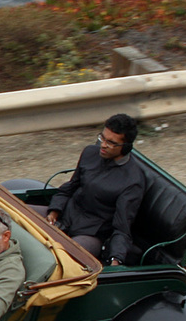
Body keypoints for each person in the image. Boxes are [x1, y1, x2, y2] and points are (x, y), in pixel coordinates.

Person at [46, 113, 145, 265]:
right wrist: (54, 212)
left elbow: (122, 227)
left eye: (111, 143)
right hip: (66, 215)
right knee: (13, 218)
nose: (103, 145)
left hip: (91, 234)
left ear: (125, 147)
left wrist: (116, 260)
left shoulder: (132, 181)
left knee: (61, 258)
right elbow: (69, 188)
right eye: (102, 138)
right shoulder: (90, 153)